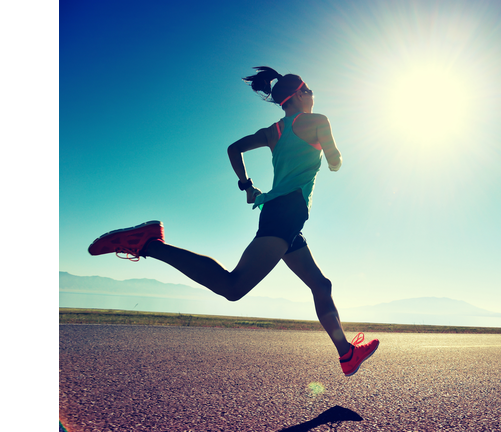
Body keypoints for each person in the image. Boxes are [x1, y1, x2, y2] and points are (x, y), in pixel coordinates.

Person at [87, 66, 379, 377]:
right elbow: (335, 162)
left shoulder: (274, 131)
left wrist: (247, 185)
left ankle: (346, 354)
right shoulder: (318, 121)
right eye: (309, 90)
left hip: (284, 214)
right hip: (286, 212)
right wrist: (330, 154)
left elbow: (234, 148)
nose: (313, 95)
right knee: (233, 286)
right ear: (297, 96)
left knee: (321, 284)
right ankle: (148, 244)